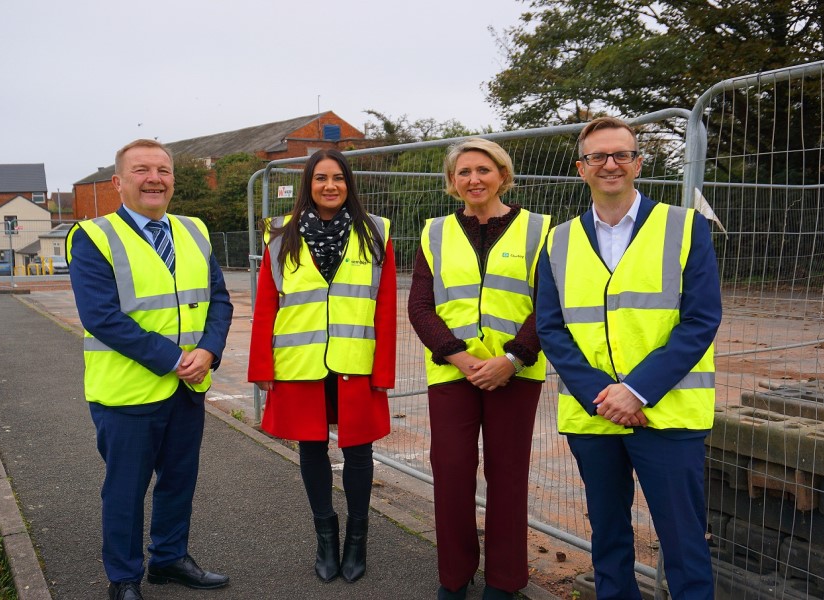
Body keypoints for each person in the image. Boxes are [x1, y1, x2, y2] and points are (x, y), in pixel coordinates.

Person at [536, 116, 722, 600]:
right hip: (594, 414)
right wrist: (604, 395)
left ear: (639, 162)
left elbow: (700, 320)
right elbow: (551, 328)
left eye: (621, 154)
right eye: (597, 156)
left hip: (668, 413)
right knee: (609, 539)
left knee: (684, 541)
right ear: (581, 169)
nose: (610, 164)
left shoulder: (685, 228)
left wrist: (636, 390)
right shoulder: (557, 241)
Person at [67, 139, 234, 600]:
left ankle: (169, 559)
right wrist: (174, 359)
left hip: (188, 386)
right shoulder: (94, 236)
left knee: (180, 481)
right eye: (142, 170)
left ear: (173, 180)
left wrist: (209, 352)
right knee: (126, 490)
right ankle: (123, 579)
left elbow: (219, 300)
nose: (155, 178)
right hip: (126, 395)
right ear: (119, 182)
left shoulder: (194, 230)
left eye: (163, 170)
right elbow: (102, 317)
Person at [408, 138, 550, 600]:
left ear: (503, 175)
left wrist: (512, 358)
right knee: (450, 473)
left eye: (483, 170)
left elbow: (550, 304)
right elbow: (421, 306)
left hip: (516, 372)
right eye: (463, 172)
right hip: (454, 372)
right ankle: (454, 576)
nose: (474, 179)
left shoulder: (541, 230)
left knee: (508, 477)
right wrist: (459, 356)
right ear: (452, 182)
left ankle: (504, 581)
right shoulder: (434, 232)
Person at [248, 148, 396, 584]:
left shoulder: (376, 232)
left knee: (358, 450)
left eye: (338, 178)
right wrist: (264, 371)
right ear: (308, 185)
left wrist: (383, 372)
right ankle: (325, 539)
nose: (329, 185)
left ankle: (356, 540)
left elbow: (385, 307)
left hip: (356, 363)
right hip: (300, 363)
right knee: (311, 448)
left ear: (349, 184)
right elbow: (266, 306)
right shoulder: (279, 236)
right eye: (320, 178)